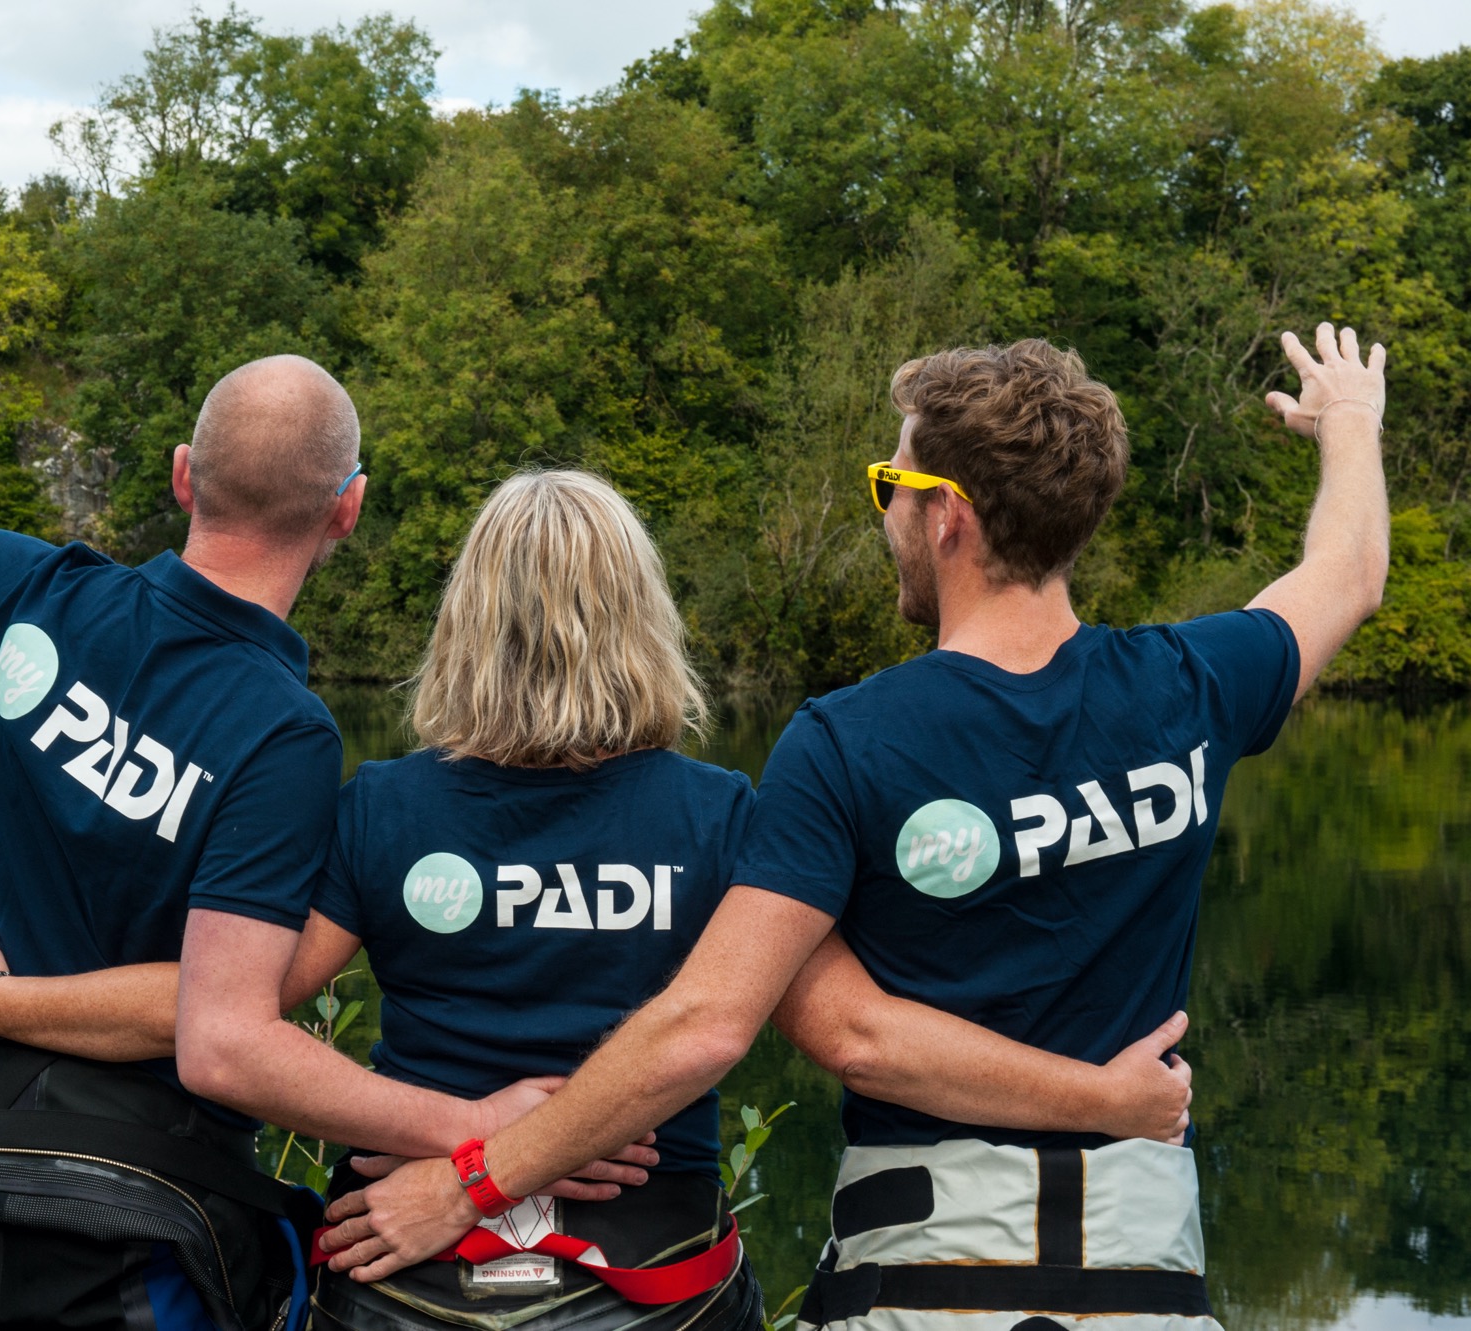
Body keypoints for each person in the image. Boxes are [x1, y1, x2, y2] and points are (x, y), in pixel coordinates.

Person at [316, 327, 1390, 1331]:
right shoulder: (1189, 686)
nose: (879, 509)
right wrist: (1346, 424)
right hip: (1140, 1266)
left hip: (918, 1268)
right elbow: (1346, 575)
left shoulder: (847, 741)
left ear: (946, 516)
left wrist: (475, 1173)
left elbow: (814, 1030)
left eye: (889, 482)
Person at [0, 190, 611, 1331]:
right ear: (346, 513)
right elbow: (226, 1031)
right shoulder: (281, 735)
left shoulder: (35, 594)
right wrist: (480, 1126)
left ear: (179, 475)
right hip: (136, 1210)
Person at [263, 469, 1191, 1331]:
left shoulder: (377, 805)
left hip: (407, 1252)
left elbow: (243, 1028)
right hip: (657, 1279)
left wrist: (447, 1139)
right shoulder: (723, 818)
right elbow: (852, 1028)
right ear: (641, 620)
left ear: (463, 620)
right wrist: (1100, 1094)